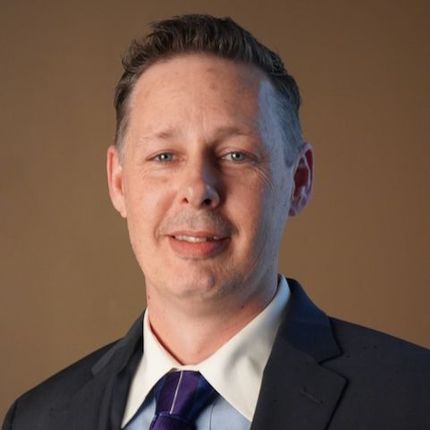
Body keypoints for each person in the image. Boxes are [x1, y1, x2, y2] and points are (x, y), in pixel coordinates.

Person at [3, 14, 429, 430]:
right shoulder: (37, 418)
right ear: (118, 182)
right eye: (164, 156)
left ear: (298, 181)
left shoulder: (415, 399)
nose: (197, 189)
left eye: (235, 155)